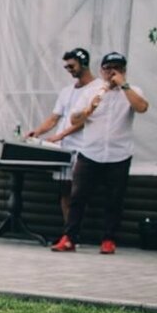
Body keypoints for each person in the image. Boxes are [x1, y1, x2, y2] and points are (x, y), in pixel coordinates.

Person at [50, 51, 149, 254]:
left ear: (124, 70)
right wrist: (88, 111)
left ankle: (109, 239)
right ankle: (69, 237)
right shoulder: (91, 91)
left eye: (118, 68)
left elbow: (142, 107)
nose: (112, 72)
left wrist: (124, 85)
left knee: (114, 199)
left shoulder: (132, 90)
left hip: (118, 154)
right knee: (78, 197)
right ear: (101, 70)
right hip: (90, 152)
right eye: (108, 68)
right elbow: (75, 120)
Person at [26, 47, 97, 224]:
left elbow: (85, 121)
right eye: (66, 67)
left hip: (84, 149)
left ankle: (75, 231)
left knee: (78, 192)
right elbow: (54, 118)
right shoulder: (67, 91)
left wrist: (59, 135)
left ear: (84, 64)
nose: (69, 70)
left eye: (72, 66)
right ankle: (68, 231)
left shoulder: (97, 89)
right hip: (65, 149)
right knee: (65, 191)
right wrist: (37, 132)